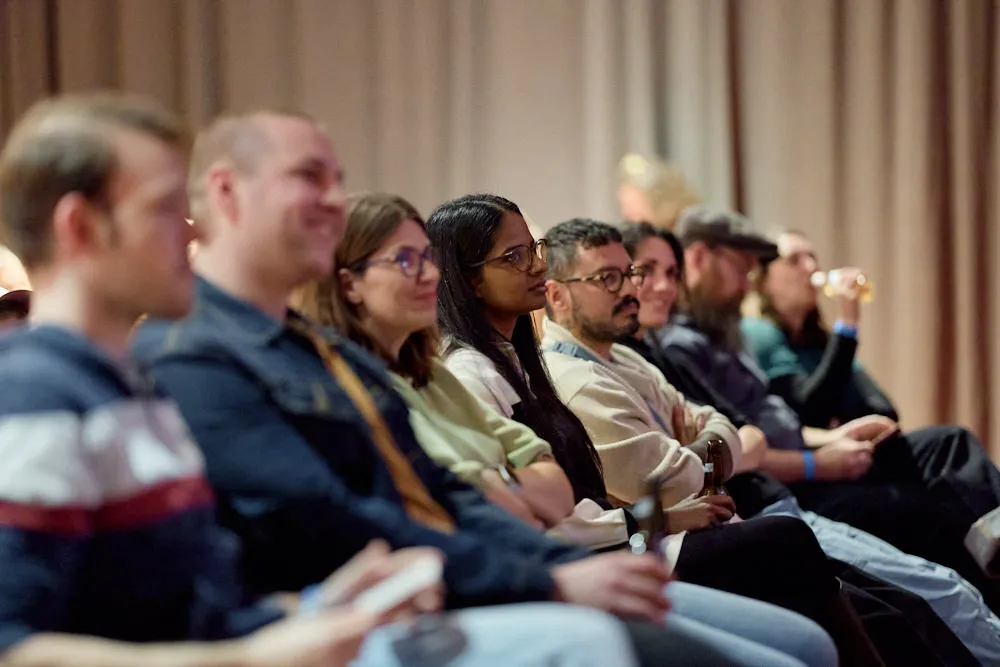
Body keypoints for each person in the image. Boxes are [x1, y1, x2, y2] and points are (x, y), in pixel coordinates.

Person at [131, 110, 832, 667]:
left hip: (455, 583)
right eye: (309, 178)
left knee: (805, 644)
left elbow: (447, 490)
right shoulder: (191, 349)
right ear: (225, 191)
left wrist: (556, 562)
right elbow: (333, 515)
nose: (334, 201)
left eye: (337, 179)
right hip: (363, 615)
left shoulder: (318, 349)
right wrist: (551, 577)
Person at [0, 91, 472, 667]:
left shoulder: (132, 386)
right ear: (80, 226)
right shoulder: (34, 396)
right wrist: (252, 658)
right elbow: (13, 646)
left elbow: (195, 618)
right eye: (165, 210)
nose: (194, 234)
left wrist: (319, 604)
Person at [618, 220, 1000, 666]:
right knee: (923, 577)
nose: (663, 286)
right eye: (644, 273)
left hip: (782, 490)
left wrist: (830, 437)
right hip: (773, 500)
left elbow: (758, 429)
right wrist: (821, 455)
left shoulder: (691, 345)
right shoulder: (713, 339)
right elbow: (759, 432)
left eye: (670, 273)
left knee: (942, 464)